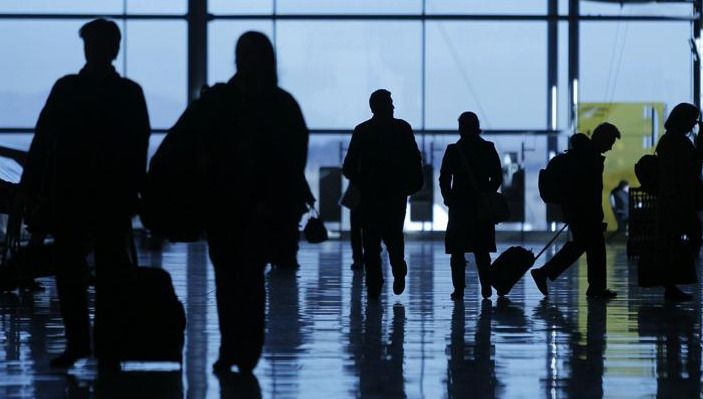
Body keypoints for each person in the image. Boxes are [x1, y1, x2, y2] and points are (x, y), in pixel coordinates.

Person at [164, 31, 307, 373]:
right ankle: (247, 348)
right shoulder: (281, 105)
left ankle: (232, 347)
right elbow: (292, 158)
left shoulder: (220, 101)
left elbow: (191, 144)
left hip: (223, 206)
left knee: (228, 279)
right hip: (258, 208)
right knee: (250, 279)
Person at [20, 19, 150, 369]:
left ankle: (79, 342)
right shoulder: (128, 93)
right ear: (116, 48)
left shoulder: (67, 89)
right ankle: (107, 346)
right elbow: (138, 147)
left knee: (69, 272)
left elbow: (43, 140)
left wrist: (30, 188)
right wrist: (138, 192)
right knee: (109, 271)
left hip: (69, 192)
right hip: (112, 196)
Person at [342, 89, 423, 298]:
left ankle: (374, 286)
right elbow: (415, 160)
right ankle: (398, 268)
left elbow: (348, 166)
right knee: (394, 235)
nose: (393, 106)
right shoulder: (402, 129)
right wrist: (411, 185)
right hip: (395, 194)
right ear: (386, 106)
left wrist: (362, 181)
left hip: (369, 196)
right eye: (390, 102)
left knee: (371, 241)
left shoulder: (362, 131)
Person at [531, 123, 620, 299]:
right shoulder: (588, 158)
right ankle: (594, 287)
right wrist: (594, 213)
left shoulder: (582, 155)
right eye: (610, 141)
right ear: (602, 138)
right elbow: (589, 191)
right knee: (594, 247)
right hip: (583, 210)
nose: (610, 147)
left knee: (582, 245)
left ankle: (546, 273)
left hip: (576, 209)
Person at [439, 112, 503, 300]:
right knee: (481, 250)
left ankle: (459, 289)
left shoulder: (453, 150)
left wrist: (448, 198)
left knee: (457, 252)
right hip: (481, 206)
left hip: (459, 206)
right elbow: (497, 177)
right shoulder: (487, 148)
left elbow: (444, 178)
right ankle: (486, 287)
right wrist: (487, 193)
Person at [653, 103, 703, 301]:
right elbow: (695, 165)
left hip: (669, 198)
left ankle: (671, 284)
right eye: (692, 121)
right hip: (679, 200)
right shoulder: (680, 142)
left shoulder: (667, 141)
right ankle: (674, 281)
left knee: (673, 241)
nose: (693, 125)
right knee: (691, 236)